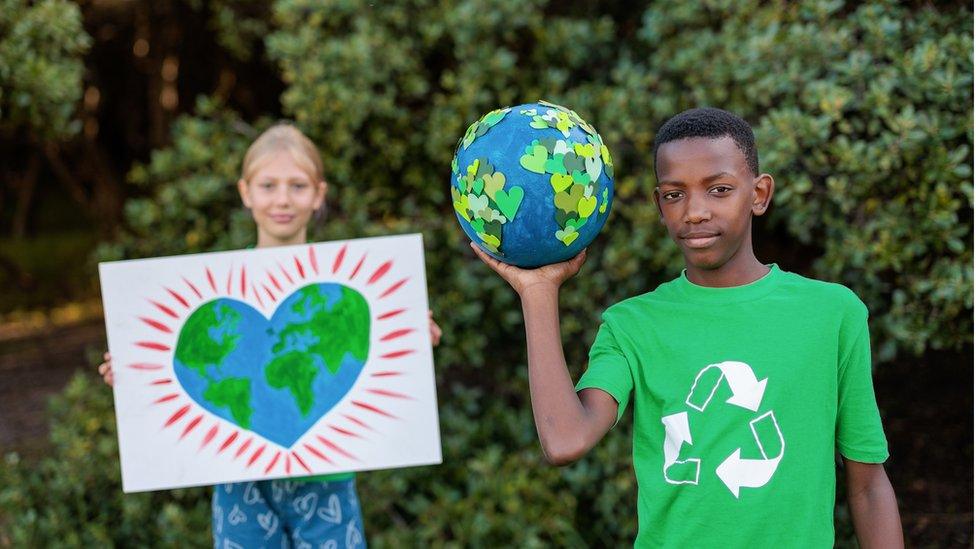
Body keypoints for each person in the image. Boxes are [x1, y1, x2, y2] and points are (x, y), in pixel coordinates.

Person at [472, 107, 902, 548]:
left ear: (759, 194)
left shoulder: (831, 314)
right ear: (660, 205)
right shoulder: (632, 325)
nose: (695, 212)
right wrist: (538, 293)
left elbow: (868, 487)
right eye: (675, 195)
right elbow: (565, 441)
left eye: (719, 190)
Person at [99, 123, 442, 548]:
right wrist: (134, 373)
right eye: (268, 185)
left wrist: (409, 340)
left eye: (297, 186)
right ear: (246, 193)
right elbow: (194, 364)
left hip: (327, 476)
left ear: (319, 194)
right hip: (239, 478)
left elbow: (376, 359)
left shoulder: (344, 290)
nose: (282, 199)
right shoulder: (214, 296)